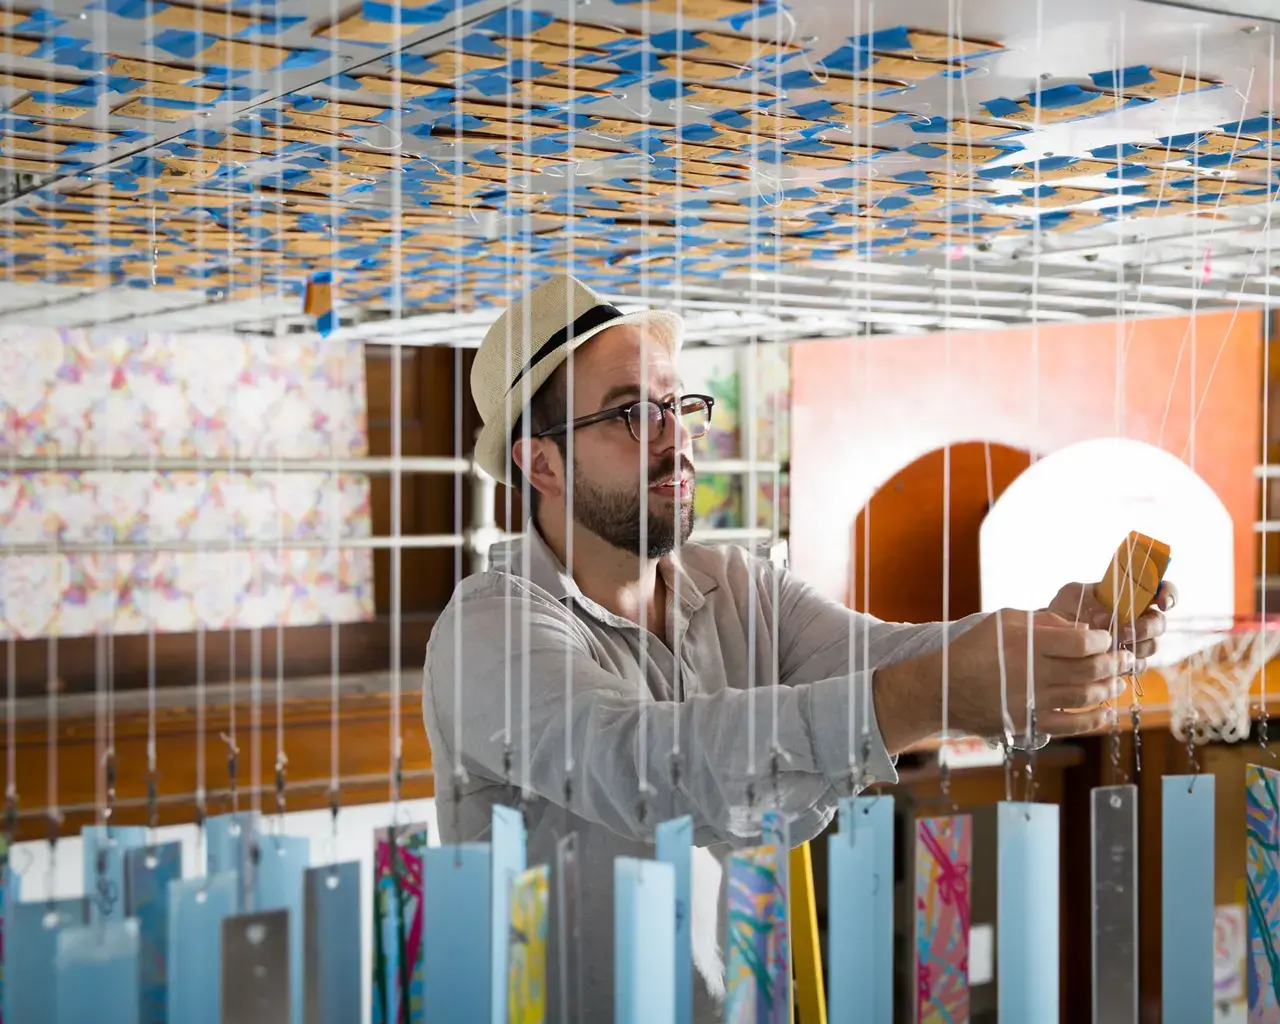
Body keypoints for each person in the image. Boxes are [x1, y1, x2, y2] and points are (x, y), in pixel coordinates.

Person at [421, 274, 1174, 1022]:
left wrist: (1051, 633)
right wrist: (926, 694)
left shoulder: (740, 586)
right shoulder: (489, 629)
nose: (676, 438)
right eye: (632, 413)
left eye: (678, 405)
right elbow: (643, 770)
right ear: (540, 464)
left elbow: (888, 655)